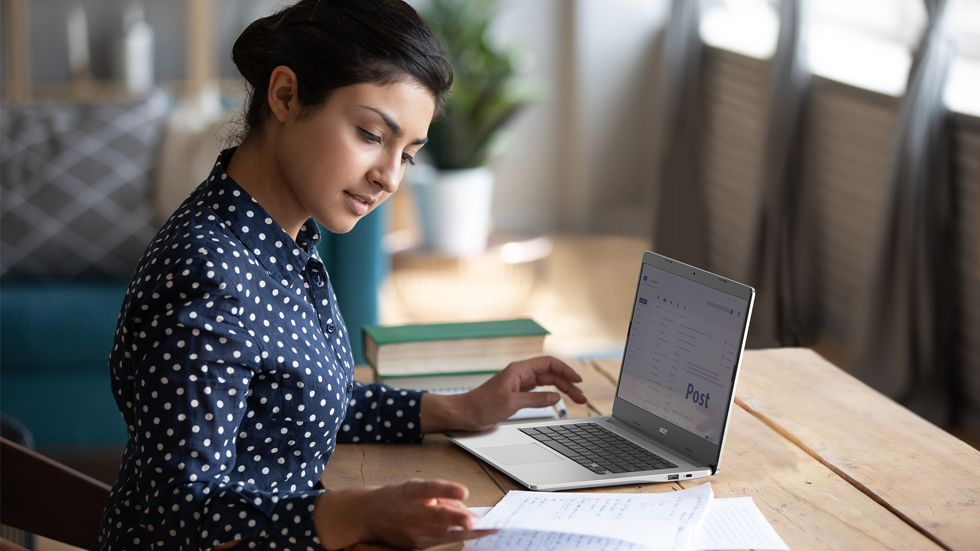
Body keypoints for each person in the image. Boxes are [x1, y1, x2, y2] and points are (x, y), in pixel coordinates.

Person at [92, 1, 587, 550]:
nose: (389, 177)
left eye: (408, 155)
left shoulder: (281, 242)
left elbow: (298, 404)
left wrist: (459, 408)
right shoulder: (209, 275)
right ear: (285, 96)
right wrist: (358, 512)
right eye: (372, 135)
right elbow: (176, 517)